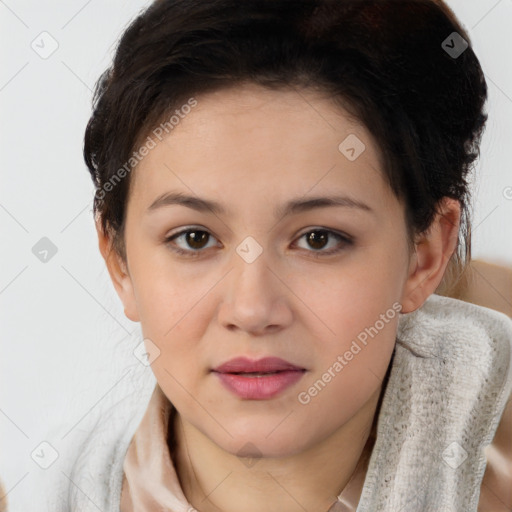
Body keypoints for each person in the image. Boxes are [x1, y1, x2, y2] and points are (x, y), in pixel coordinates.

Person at [42, 1, 512, 511]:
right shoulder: (45, 490)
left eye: (318, 239)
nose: (251, 310)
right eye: (195, 238)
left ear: (425, 255)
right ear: (119, 261)